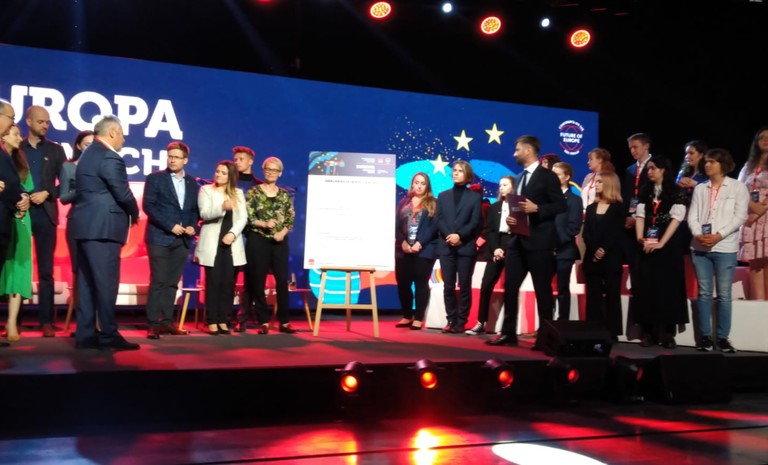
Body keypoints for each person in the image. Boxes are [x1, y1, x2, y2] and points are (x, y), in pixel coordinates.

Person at [69, 115, 140, 351]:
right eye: (122, 135)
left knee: (88, 284)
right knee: (106, 283)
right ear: (112, 132)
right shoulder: (109, 156)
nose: (124, 140)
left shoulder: (88, 154)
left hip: (85, 226)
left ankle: (86, 335)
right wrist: (135, 212)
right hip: (103, 228)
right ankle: (109, 334)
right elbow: (122, 192)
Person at [488, 135, 566, 348]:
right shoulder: (519, 177)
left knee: (542, 291)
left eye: (517, 150)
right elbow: (519, 207)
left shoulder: (547, 176)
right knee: (510, 287)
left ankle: (545, 337)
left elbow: (560, 205)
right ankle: (508, 333)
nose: (514, 154)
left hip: (539, 243)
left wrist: (537, 208)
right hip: (517, 242)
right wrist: (513, 220)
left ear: (529, 150)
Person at [688, 149, 749, 353]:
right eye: (706, 161)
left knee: (724, 294)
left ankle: (722, 338)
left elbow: (740, 217)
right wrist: (699, 234)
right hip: (700, 248)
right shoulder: (700, 188)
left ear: (723, 164)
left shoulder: (738, 187)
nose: (707, 165)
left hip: (725, 247)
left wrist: (718, 235)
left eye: (712, 161)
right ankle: (705, 337)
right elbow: (692, 216)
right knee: (704, 293)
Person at [142, 141, 200, 339]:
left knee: (172, 282)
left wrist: (193, 226)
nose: (172, 160)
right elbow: (149, 206)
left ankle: (167, 322)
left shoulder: (192, 182)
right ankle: (152, 323)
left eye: (176, 157)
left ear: (185, 160)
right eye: (170, 156)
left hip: (182, 240)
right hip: (159, 237)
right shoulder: (155, 178)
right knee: (159, 280)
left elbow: (194, 210)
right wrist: (170, 225)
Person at [19, 105, 66, 337]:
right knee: (18, 267)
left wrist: (48, 193)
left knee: (46, 270)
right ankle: (14, 319)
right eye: (40, 122)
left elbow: (67, 183)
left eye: (47, 122)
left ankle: (46, 321)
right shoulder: (17, 147)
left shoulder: (56, 150)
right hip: (20, 213)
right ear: (28, 122)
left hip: (46, 214)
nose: (45, 126)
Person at [634, 155, 688, 349]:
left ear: (663, 169)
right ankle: (647, 332)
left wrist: (662, 243)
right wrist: (640, 237)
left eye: (653, 168)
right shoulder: (645, 191)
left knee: (668, 287)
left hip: (668, 244)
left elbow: (676, 219)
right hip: (647, 242)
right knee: (647, 286)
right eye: (648, 168)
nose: (650, 172)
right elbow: (640, 216)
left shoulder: (676, 191)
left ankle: (667, 333)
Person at [244, 156, 296, 334]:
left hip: (279, 241)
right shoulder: (253, 192)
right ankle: (263, 321)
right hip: (258, 239)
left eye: (274, 170)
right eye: (268, 169)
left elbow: (290, 218)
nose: (271, 173)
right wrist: (263, 224)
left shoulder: (284, 195)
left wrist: (283, 232)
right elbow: (248, 216)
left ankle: (284, 321)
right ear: (263, 170)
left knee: (281, 280)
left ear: (280, 173)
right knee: (258, 280)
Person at [195, 161, 247, 335]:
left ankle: (224, 319)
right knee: (213, 283)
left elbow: (243, 218)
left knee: (228, 284)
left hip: (231, 243)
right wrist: (222, 207)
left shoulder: (238, 193)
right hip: (213, 243)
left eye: (223, 173)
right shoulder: (206, 190)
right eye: (217, 171)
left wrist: (232, 233)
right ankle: (212, 320)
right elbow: (204, 213)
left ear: (231, 176)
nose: (218, 174)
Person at [435, 160, 482, 334]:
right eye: (454, 170)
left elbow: (475, 222)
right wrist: (450, 236)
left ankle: (461, 321)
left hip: (465, 246)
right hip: (446, 246)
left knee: (464, 286)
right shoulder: (443, 196)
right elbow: (438, 219)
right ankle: (451, 320)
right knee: (448, 286)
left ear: (468, 175)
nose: (455, 173)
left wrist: (460, 236)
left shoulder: (474, 197)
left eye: (460, 171)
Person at [466, 175, 514, 336]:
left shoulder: (519, 207)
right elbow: (490, 231)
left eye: (505, 185)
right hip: (495, 247)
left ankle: (508, 327)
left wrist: (505, 250)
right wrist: (496, 249)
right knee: (486, 285)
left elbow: (520, 230)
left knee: (511, 287)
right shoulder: (494, 207)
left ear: (513, 187)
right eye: (500, 185)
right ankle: (481, 322)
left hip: (512, 247)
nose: (501, 187)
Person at [582, 171, 625, 338]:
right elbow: (586, 234)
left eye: (600, 182)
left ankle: (611, 332)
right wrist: (595, 249)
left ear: (609, 184)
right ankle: (593, 331)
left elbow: (617, 233)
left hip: (611, 258)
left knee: (612, 296)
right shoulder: (591, 208)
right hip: (592, 258)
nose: (596, 185)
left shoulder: (618, 208)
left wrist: (603, 249)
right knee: (593, 297)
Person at [0, 125, 33, 342]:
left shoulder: (21, 163)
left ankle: (12, 322)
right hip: (3, 217)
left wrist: (26, 200)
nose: (20, 138)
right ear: (3, 136)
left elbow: (27, 190)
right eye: (15, 134)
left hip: (21, 221)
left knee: (18, 270)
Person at [394, 172, 438, 331]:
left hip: (424, 250)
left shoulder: (433, 203)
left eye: (423, 183)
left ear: (427, 186)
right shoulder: (403, 202)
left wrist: (420, 242)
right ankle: (407, 316)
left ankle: (418, 318)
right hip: (403, 250)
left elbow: (434, 227)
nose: (419, 186)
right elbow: (396, 225)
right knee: (403, 283)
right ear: (412, 184)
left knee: (420, 283)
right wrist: (403, 242)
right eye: (416, 182)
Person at [59, 129, 95, 326]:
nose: (91, 148)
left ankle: (98, 320)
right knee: (79, 271)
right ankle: (83, 322)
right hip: (77, 221)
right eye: (87, 144)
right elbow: (63, 197)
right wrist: (82, 190)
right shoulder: (69, 167)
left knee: (96, 270)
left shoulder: (101, 166)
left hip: (98, 222)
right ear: (79, 146)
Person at [621, 133, 653, 340]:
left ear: (646, 146)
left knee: (647, 275)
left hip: (649, 226)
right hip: (630, 228)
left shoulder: (656, 167)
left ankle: (651, 328)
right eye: (630, 148)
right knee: (635, 270)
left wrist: (638, 217)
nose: (633, 151)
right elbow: (628, 197)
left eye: (636, 147)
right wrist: (628, 216)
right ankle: (637, 327)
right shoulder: (630, 170)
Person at [232, 145, 263, 331]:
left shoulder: (259, 186)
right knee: (229, 278)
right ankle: (223, 317)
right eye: (235, 159)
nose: (237, 162)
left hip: (251, 238)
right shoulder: (228, 183)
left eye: (241, 159)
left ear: (250, 162)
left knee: (250, 281)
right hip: (232, 237)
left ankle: (242, 318)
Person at [737, 126, 768, 300]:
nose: (765, 140)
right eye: (761, 137)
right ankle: (758, 306)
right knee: (755, 263)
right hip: (751, 217)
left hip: (766, 216)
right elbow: (738, 189)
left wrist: (762, 208)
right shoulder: (748, 166)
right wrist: (752, 207)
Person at [0, 99, 29, 284]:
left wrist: (23, 196)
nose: (13, 123)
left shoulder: (4, 152)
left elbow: (12, 181)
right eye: (11, 118)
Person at [552, 161, 583, 321]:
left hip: (564, 250)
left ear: (567, 177)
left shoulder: (575, 200)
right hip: (546, 250)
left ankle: (562, 322)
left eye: (557, 174)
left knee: (562, 288)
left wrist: (555, 244)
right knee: (544, 288)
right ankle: (546, 322)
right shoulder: (548, 198)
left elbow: (573, 227)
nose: (553, 177)